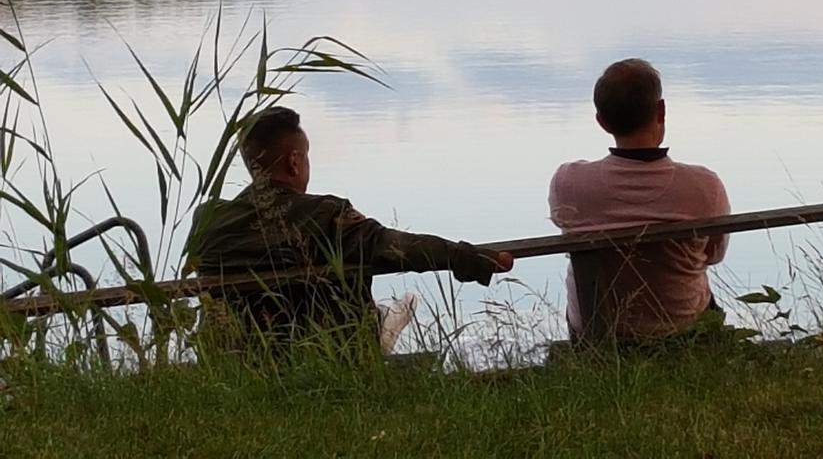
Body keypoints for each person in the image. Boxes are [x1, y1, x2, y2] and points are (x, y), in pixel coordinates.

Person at [186, 106, 513, 345]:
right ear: (294, 161)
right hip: (323, 349)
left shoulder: (209, 219)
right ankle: (388, 319)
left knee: (391, 311)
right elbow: (398, 247)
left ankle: (388, 316)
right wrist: (470, 258)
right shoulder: (325, 213)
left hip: (238, 354)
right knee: (400, 307)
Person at [548, 58, 729, 342]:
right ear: (661, 110)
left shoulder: (568, 182)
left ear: (602, 121)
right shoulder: (704, 186)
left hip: (597, 333)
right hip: (683, 327)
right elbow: (714, 255)